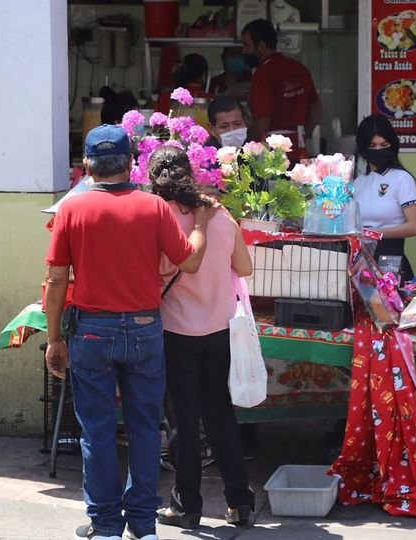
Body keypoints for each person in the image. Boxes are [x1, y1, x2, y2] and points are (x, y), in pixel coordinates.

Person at [43, 125, 216, 540]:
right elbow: (189, 262)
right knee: (143, 427)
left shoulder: (71, 209)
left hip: (91, 332)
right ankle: (142, 523)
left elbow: (55, 280)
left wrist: (53, 338)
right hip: (143, 328)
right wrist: (203, 222)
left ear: (86, 165)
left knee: (98, 430)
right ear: (130, 163)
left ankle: (104, 525)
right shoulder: (154, 207)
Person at [147, 146, 256, 530]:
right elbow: (245, 266)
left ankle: (186, 505)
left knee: (183, 421)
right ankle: (240, 502)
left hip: (176, 331)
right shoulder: (219, 213)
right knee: (221, 414)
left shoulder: (157, 218)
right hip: (220, 330)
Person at [353, 115, 416, 281]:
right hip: (360, 264)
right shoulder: (358, 182)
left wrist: (373, 233)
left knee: (390, 305)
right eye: (372, 145)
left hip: (390, 262)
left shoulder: (402, 178)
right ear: (364, 148)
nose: (378, 150)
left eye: (384, 145)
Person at [241, 18, 321, 161]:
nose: (243, 51)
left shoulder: (264, 73)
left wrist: (244, 144)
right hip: (299, 146)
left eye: (246, 45)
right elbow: (316, 109)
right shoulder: (299, 68)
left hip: (274, 150)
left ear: (261, 46)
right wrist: (303, 134)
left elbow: (263, 122)